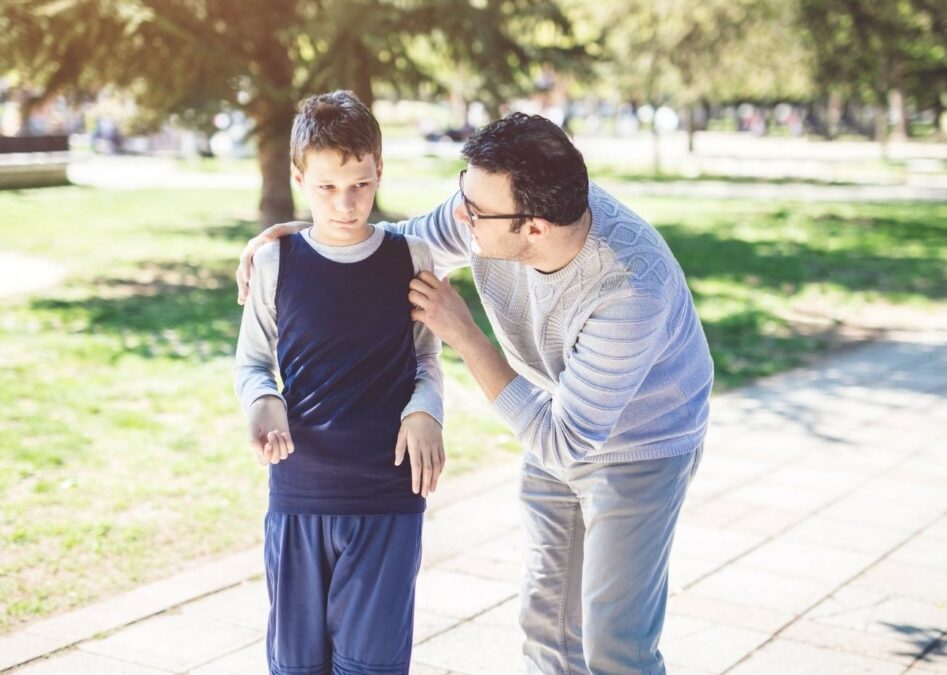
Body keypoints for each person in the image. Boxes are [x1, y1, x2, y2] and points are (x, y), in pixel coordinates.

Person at [238, 112, 713, 674]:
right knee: (548, 625)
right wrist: (297, 242)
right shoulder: (490, 207)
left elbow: (566, 441)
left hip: (642, 442)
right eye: (464, 197)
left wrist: (464, 335)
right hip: (551, 411)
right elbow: (395, 241)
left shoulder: (632, 287)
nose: (459, 216)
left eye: (475, 211)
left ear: (533, 228)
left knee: (616, 642)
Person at [233, 90, 445, 675]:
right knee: (297, 664)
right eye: (326, 187)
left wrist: (427, 409)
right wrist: (263, 401)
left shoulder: (412, 257)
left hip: (388, 495)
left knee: (371, 665)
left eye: (361, 184)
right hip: (299, 491)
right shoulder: (277, 262)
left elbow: (427, 359)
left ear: (380, 172)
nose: (346, 204)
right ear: (299, 176)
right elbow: (252, 361)